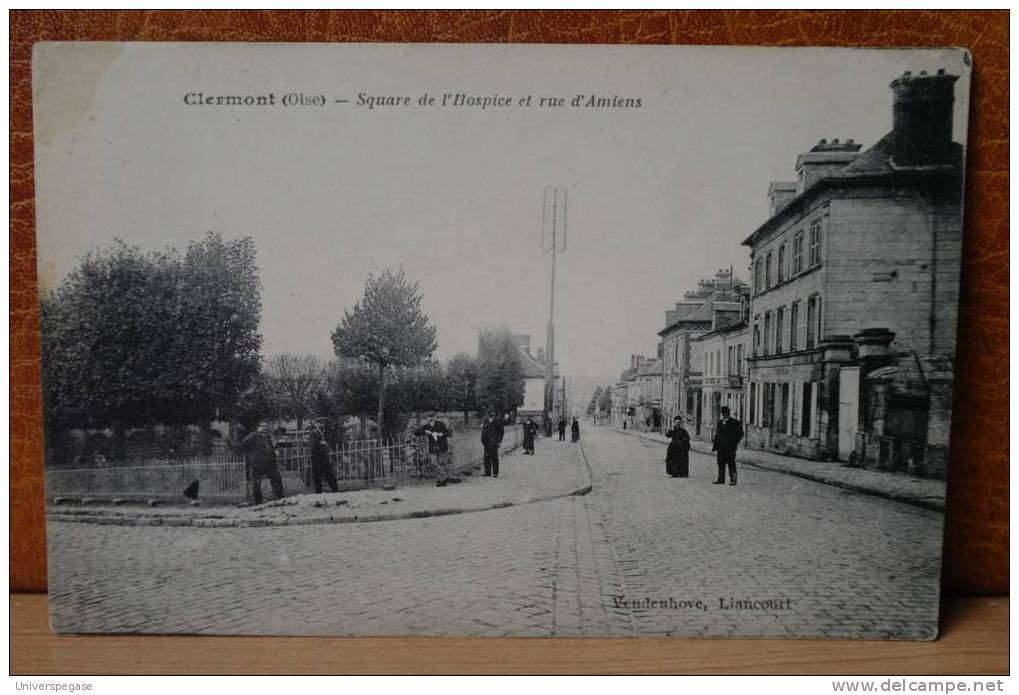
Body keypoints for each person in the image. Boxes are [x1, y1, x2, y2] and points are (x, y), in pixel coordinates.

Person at [240, 421, 284, 504]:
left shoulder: (267, 436)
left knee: (277, 479)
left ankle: (280, 498)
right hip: (258, 464)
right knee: (256, 483)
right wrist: (252, 455)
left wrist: (274, 452)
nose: (265, 427)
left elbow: (270, 447)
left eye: (266, 426)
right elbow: (244, 444)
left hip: (270, 463)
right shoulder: (253, 436)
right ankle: (258, 501)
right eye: (263, 426)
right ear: (258, 427)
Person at [415, 415, 452, 487]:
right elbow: (416, 433)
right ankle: (444, 477)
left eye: (432, 417)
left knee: (441, 463)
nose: (430, 418)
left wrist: (442, 434)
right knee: (433, 463)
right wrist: (426, 431)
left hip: (441, 446)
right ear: (427, 418)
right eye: (429, 417)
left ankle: (441, 480)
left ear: (435, 417)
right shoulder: (426, 426)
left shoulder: (440, 424)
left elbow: (448, 433)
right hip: (433, 447)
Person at [712, 406, 744, 485]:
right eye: (723, 413)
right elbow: (718, 434)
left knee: (731, 463)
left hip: (730, 448)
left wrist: (734, 442)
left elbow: (740, 433)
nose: (724, 415)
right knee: (720, 463)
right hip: (721, 447)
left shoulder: (734, 422)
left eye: (725, 413)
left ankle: (733, 479)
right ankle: (721, 479)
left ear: (728, 413)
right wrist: (715, 444)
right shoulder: (720, 422)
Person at [308, 422, 339, 494]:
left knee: (328, 473)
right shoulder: (314, 433)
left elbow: (328, 443)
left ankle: (334, 488)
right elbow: (312, 444)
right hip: (318, 455)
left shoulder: (324, 432)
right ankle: (320, 491)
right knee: (319, 475)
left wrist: (325, 444)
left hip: (323, 455)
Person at [481, 411, 505, 477]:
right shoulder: (486, 421)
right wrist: (482, 439)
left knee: (494, 457)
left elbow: (501, 432)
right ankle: (487, 472)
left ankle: (495, 473)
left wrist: (499, 442)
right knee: (486, 457)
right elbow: (483, 430)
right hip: (486, 442)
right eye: (489, 412)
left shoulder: (498, 421)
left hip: (494, 442)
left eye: (492, 412)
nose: (491, 414)